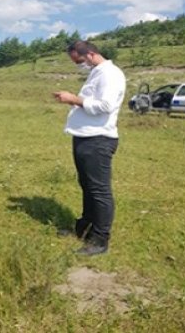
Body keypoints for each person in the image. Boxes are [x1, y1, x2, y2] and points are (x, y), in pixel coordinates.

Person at [53, 40, 125, 256]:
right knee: (87, 185)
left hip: (98, 140)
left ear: (91, 54)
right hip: (85, 138)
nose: (79, 65)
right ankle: (84, 227)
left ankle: (100, 240)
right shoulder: (96, 72)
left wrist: (73, 99)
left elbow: (106, 106)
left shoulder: (110, 74)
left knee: (99, 190)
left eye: (79, 61)